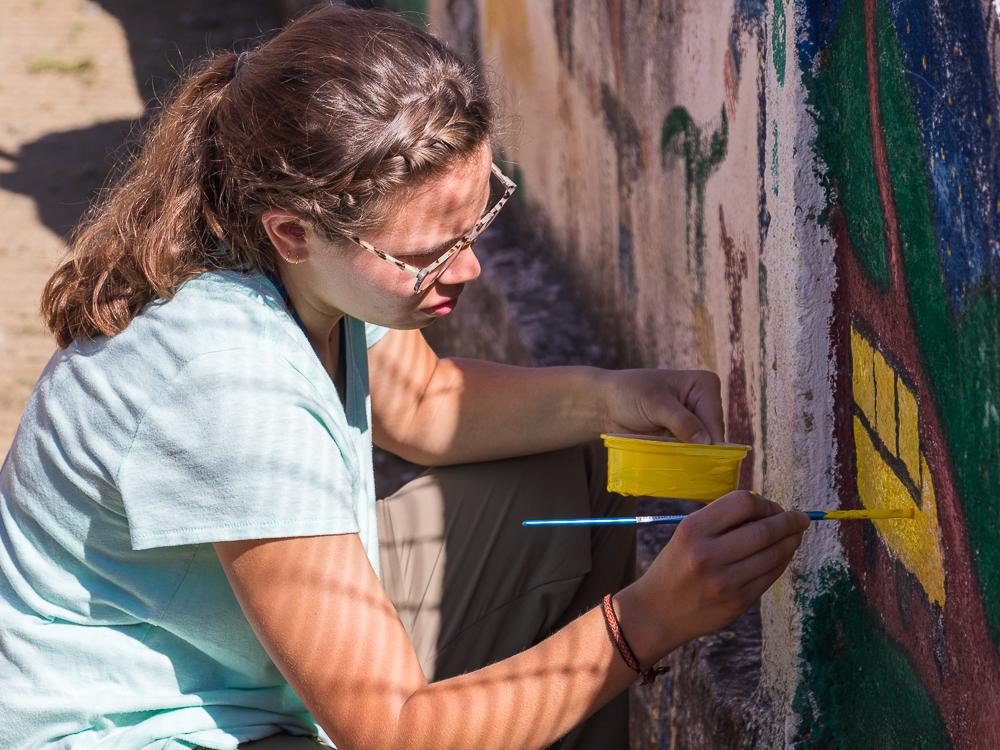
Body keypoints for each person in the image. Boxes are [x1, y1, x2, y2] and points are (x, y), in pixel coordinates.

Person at [0, 4, 809, 749]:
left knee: (582, 464)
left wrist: (619, 396)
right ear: (293, 231)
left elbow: (424, 405)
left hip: (239, 676)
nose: (472, 267)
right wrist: (647, 623)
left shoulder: (301, 266)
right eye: (425, 255)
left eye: (479, 218)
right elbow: (390, 733)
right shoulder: (229, 385)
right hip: (137, 732)